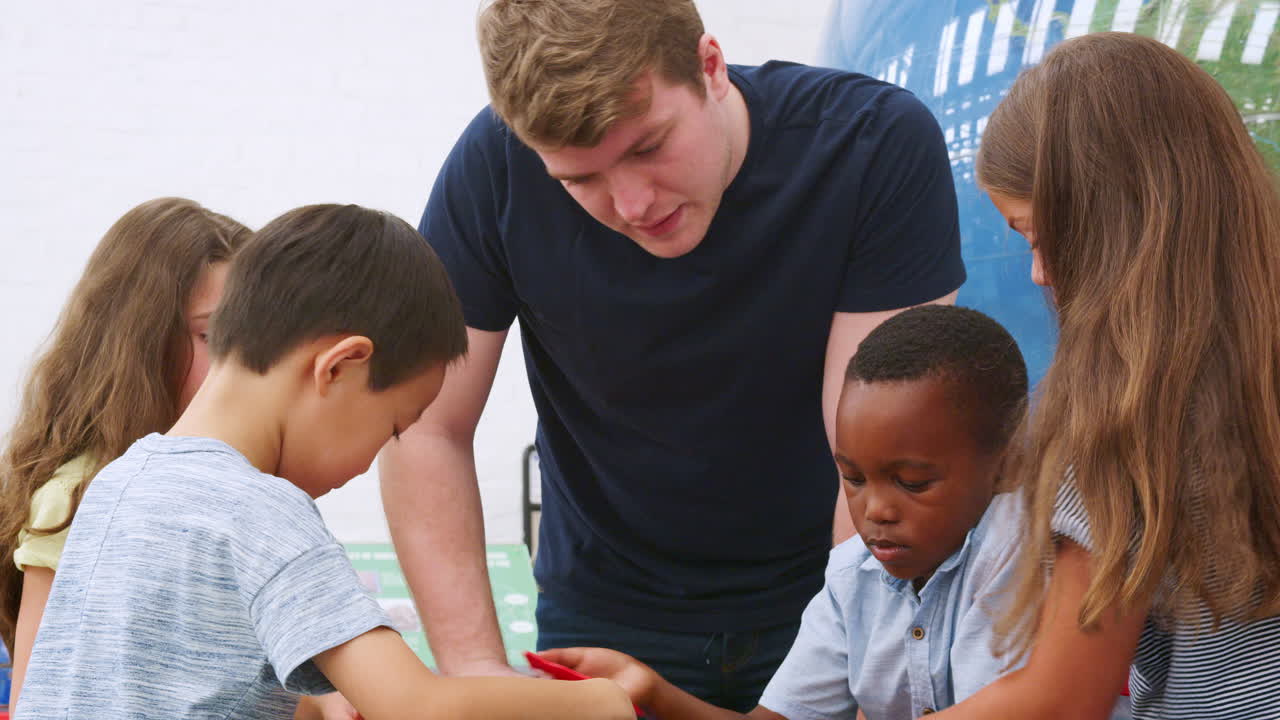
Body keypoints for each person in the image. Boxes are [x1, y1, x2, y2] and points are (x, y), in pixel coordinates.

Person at [379, 0, 966, 709]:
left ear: (710, 66)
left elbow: (877, 452)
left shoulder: (871, 144)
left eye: (648, 146)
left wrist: (822, 674)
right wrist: (473, 668)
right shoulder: (496, 166)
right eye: (579, 181)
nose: (630, 204)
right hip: (604, 609)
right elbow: (424, 424)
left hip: (828, 592)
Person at [15, 204, 634, 720]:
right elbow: (415, 706)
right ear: (339, 367)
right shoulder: (262, 509)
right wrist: (599, 704)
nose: (370, 463)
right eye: (392, 427)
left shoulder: (119, 481)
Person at [932, 33, 1280, 720]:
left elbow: (1061, 699)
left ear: (1106, 221)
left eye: (1036, 235)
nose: (1038, 272)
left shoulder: (1122, 417)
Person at [538, 304, 1030, 719]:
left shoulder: (1019, 555)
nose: (876, 509)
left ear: (1007, 462)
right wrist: (651, 691)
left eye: (913, 483)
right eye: (853, 479)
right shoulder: (852, 578)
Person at [0, 197, 251, 710]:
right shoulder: (79, 494)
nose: (241, 364)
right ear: (141, 340)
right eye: (211, 336)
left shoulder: (239, 486)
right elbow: (36, 695)